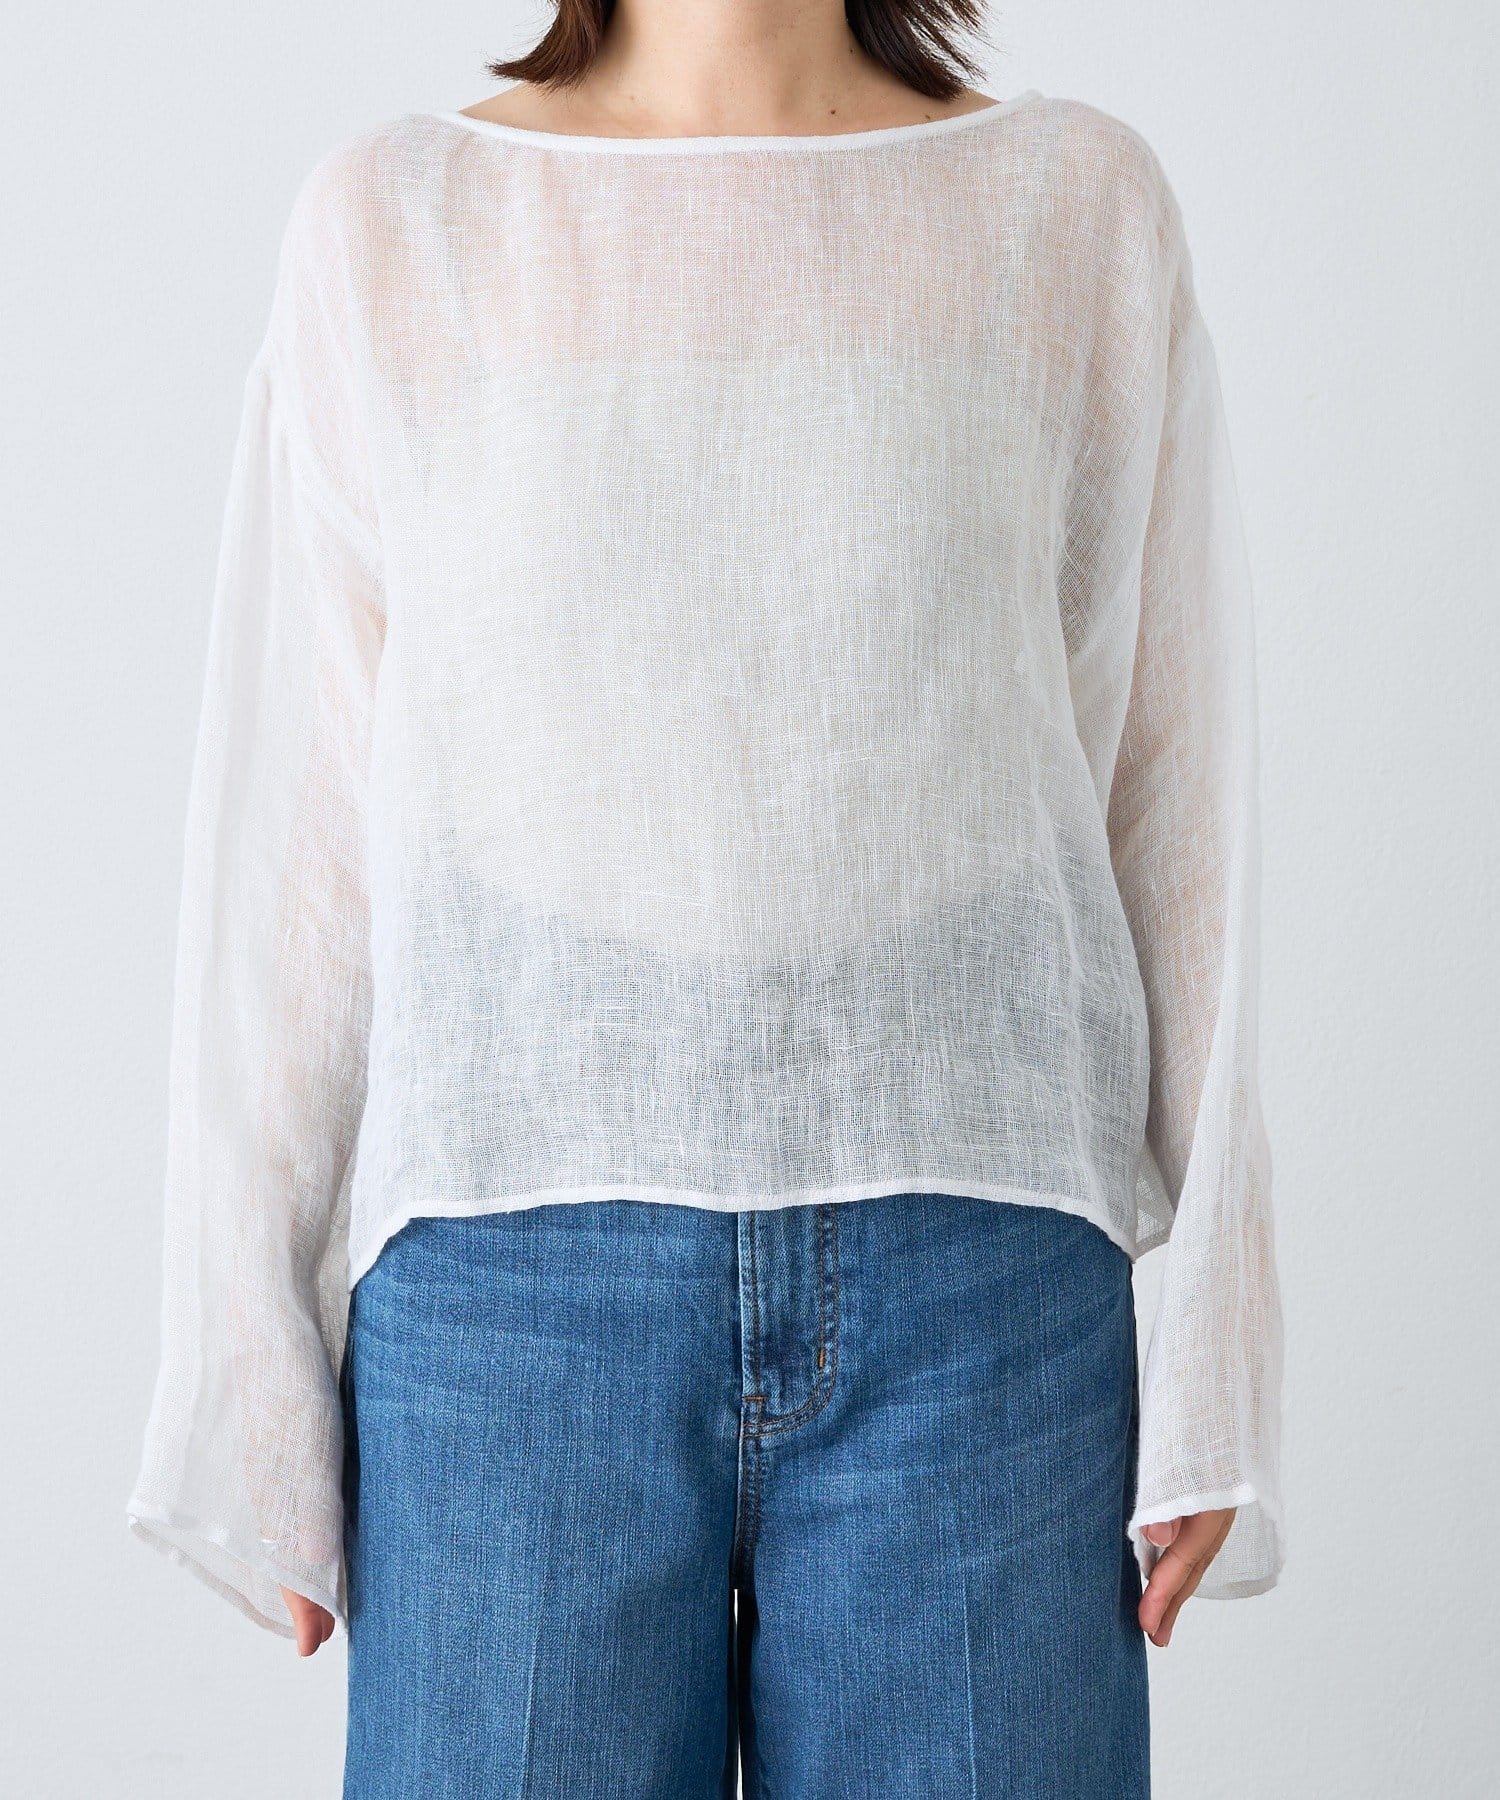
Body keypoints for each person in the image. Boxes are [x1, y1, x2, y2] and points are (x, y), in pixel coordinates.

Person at [126, 0, 1286, 1792]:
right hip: (510, 1305)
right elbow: (311, 834)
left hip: (983, 1298)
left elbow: (1169, 791)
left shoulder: (1069, 207)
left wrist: (1212, 1339)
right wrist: (249, 1359)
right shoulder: (398, 222)